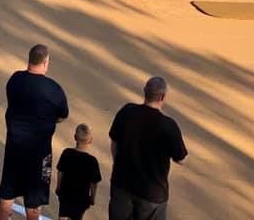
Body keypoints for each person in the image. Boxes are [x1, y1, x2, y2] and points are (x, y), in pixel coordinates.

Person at [0, 44, 69, 220]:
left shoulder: (15, 79)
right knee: (34, 199)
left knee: (8, 189)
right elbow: (62, 116)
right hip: (41, 154)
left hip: (14, 147)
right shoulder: (54, 89)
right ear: (45, 62)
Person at [108, 77, 187, 220]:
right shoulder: (168, 126)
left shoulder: (127, 112)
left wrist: (118, 164)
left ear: (144, 91)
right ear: (163, 96)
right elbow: (181, 159)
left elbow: (114, 142)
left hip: (122, 184)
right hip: (152, 194)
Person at [56, 124, 102, 220]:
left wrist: (58, 187)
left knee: (62, 216)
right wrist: (92, 198)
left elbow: (60, 172)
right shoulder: (92, 161)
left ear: (75, 137)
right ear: (90, 140)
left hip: (65, 194)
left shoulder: (67, 153)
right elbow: (94, 183)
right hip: (81, 199)